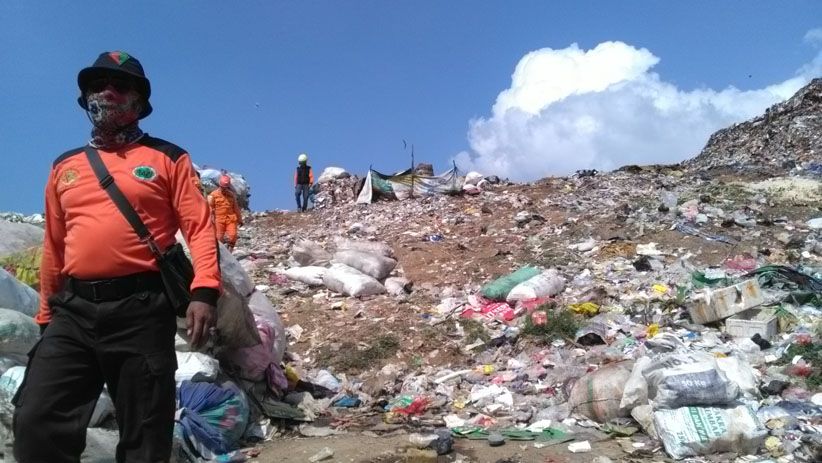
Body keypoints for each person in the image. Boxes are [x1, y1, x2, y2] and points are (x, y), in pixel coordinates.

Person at [13, 51, 221, 463]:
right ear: (85, 98)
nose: (106, 91)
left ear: (139, 103)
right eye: (97, 84)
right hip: (72, 312)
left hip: (142, 309)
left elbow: (199, 227)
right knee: (36, 420)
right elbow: (55, 246)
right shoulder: (63, 167)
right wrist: (45, 315)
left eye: (120, 85)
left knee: (145, 434)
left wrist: (205, 291)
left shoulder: (169, 157)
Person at [208, 174, 243, 251]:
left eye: (225, 187)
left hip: (231, 219)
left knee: (233, 236)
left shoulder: (231, 195)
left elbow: (236, 208)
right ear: (219, 185)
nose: (224, 189)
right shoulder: (213, 195)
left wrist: (240, 220)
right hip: (219, 219)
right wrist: (211, 219)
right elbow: (210, 208)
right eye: (222, 187)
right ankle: (220, 253)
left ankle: (230, 252)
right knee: (219, 237)